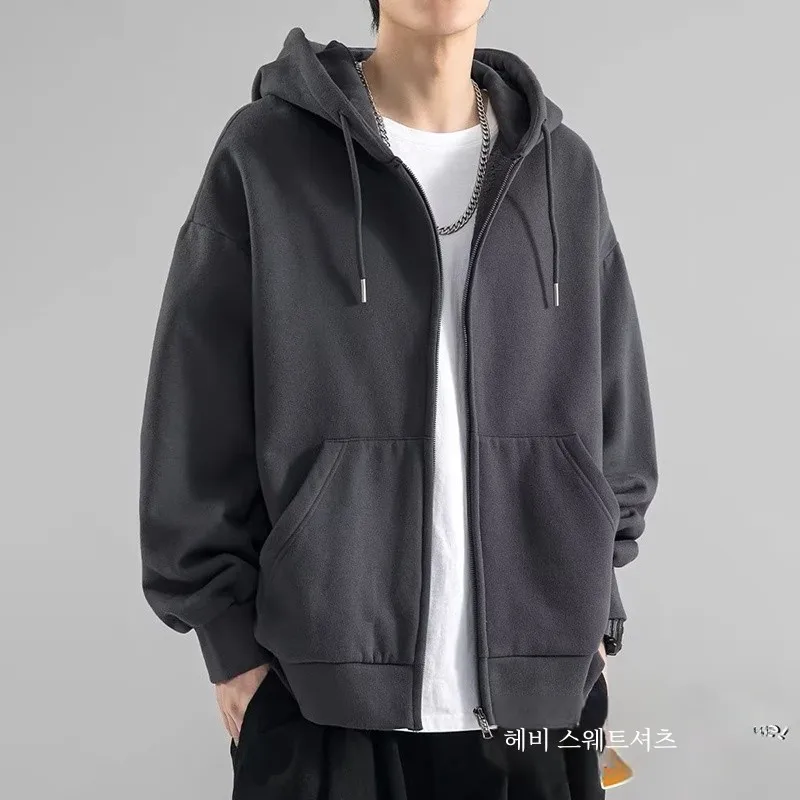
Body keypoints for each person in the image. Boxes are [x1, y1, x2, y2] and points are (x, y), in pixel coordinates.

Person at [139, 2, 658, 797]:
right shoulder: (266, 156)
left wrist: (592, 613)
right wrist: (228, 642)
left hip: (538, 698)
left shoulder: (563, 170)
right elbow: (194, 411)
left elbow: (611, 416)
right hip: (318, 694)